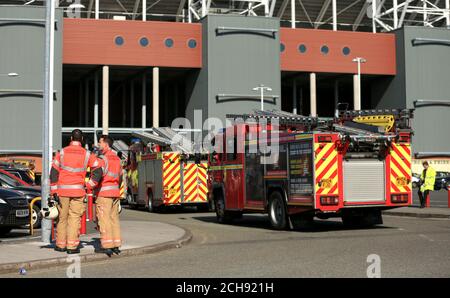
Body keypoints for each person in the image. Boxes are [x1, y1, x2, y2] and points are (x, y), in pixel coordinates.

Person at [50, 129, 102, 254]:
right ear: (82, 140)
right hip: (78, 192)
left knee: (62, 218)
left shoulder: (61, 153)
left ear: (71, 139)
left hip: (62, 192)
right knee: (74, 219)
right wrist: (89, 185)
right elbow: (98, 170)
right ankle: (72, 247)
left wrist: (54, 191)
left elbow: (53, 173)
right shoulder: (87, 154)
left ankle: (60, 245)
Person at [95, 135, 123, 256]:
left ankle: (107, 246)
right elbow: (120, 176)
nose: (98, 145)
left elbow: (97, 176)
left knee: (104, 220)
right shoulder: (117, 159)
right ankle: (116, 245)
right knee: (114, 219)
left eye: (100, 143)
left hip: (104, 194)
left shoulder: (103, 159)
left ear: (106, 144)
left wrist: (90, 186)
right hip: (115, 193)